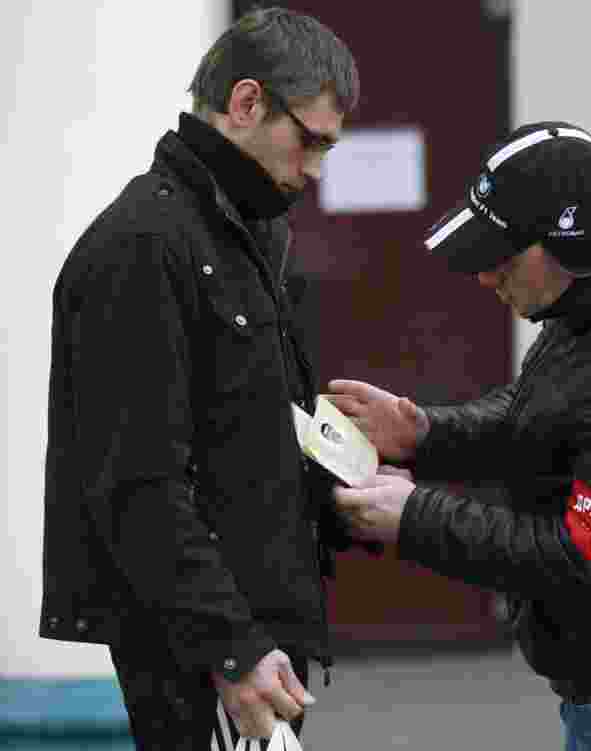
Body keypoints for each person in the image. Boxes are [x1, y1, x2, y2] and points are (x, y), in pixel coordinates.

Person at [330, 121, 591, 750]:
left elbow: (588, 560)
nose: (485, 278)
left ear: (571, 242)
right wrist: (424, 435)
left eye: (502, 257)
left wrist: (415, 518)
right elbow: (552, 410)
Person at [39, 7, 359, 746]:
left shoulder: (248, 231)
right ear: (247, 103)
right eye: (308, 140)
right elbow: (137, 484)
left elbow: (248, 429)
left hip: (257, 634)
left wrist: (346, 465)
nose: (314, 170)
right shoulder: (141, 245)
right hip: (201, 651)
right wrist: (232, 647)